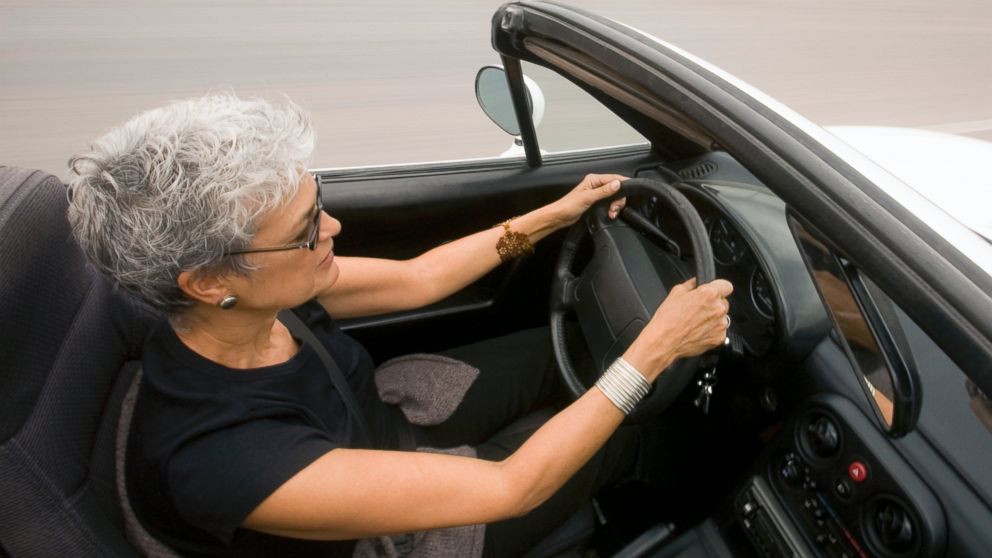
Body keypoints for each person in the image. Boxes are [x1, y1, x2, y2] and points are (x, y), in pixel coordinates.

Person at [66, 94, 732, 557]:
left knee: (578, 350)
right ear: (211, 282)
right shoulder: (217, 458)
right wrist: (654, 351)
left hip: (386, 421)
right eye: (305, 229)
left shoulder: (253, 298)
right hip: (386, 542)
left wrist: (551, 216)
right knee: (623, 434)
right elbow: (513, 486)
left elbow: (420, 279)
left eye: (318, 202)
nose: (332, 227)